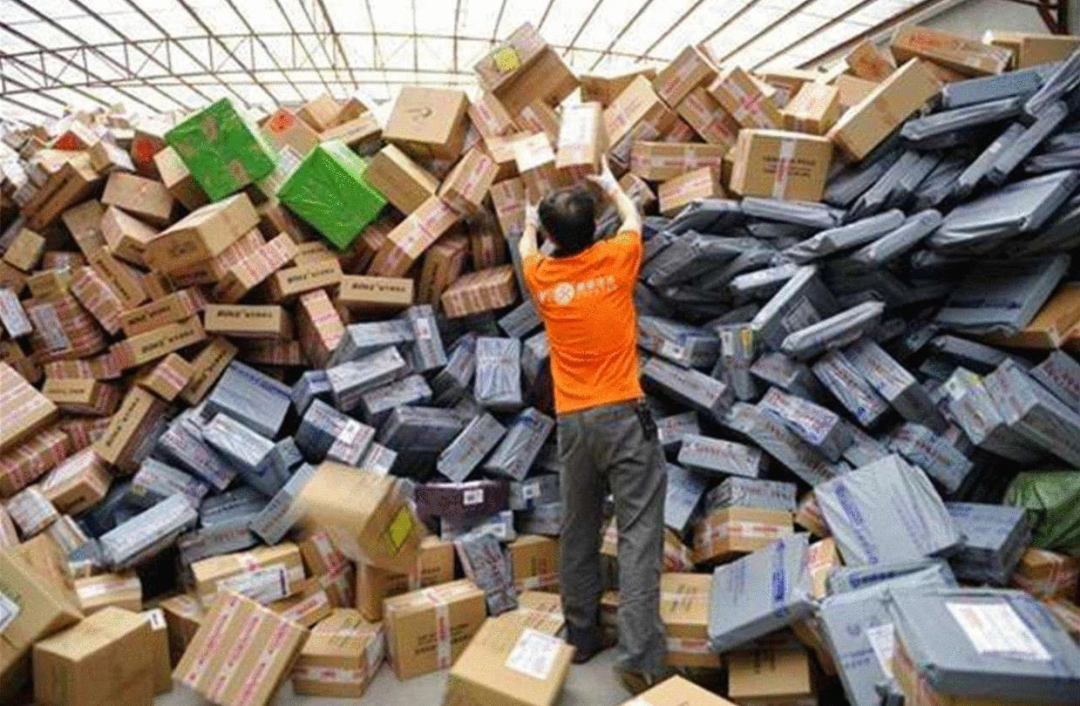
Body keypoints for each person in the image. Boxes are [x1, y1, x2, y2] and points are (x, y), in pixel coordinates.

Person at [519, 157, 668, 694]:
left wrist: (528, 221)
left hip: (574, 424)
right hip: (624, 415)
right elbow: (633, 219)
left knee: (579, 526)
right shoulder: (617, 260)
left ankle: (581, 634)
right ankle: (639, 657)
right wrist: (610, 185)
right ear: (592, 229)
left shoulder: (542, 278)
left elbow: (525, 247)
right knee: (639, 532)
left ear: (552, 237)